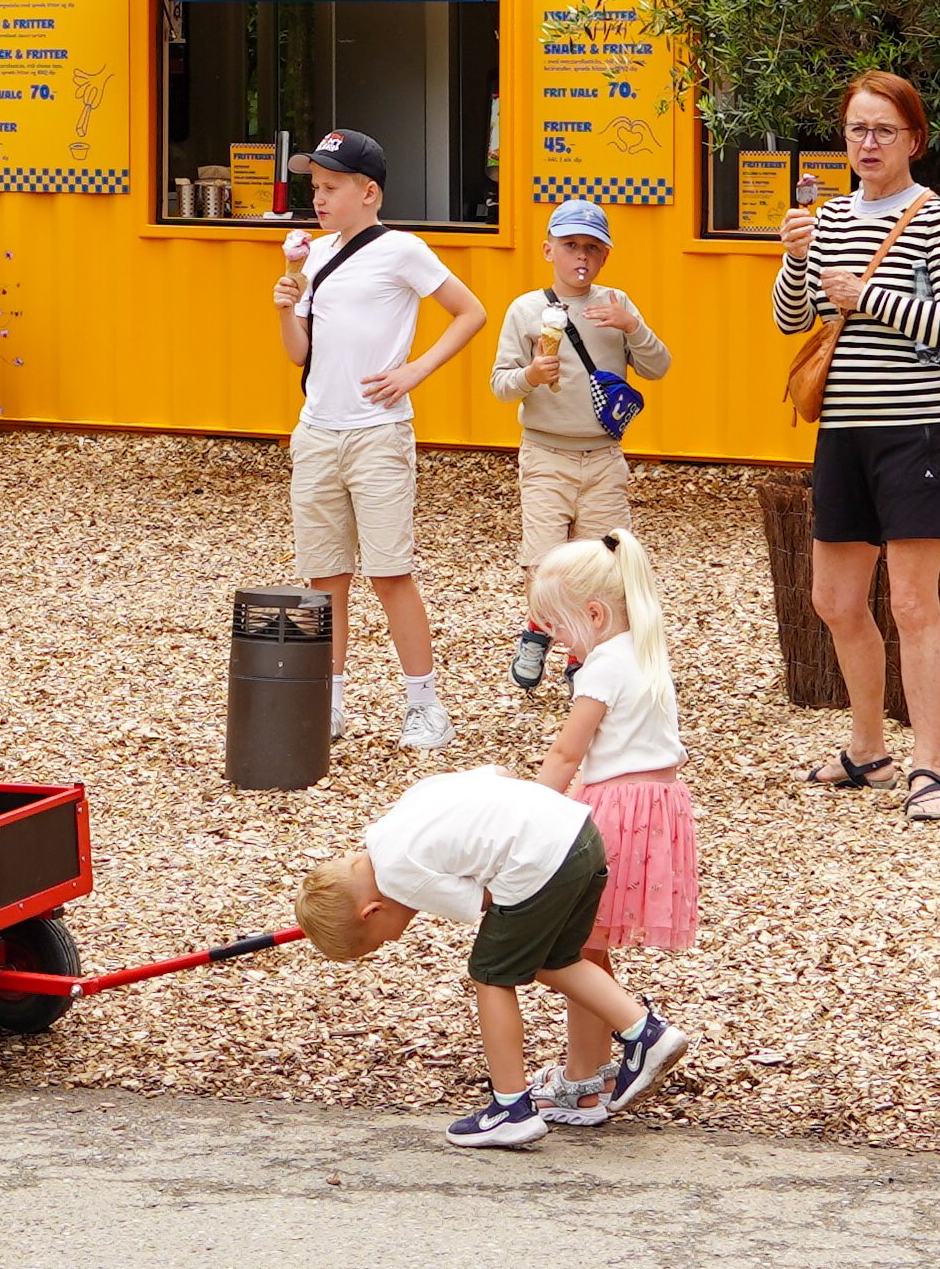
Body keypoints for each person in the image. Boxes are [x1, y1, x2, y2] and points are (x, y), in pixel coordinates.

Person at [777, 69, 940, 821]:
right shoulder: (825, 218)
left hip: (914, 427)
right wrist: (795, 256)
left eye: (882, 131)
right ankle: (868, 749)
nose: (866, 143)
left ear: (913, 140)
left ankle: (929, 767)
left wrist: (870, 299)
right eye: (856, 129)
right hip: (842, 430)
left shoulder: (938, 217)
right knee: (833, 599)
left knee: (910, 599)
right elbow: (790, 319)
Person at [296, 765, 680, 1152]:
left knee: (491, 974)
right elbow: (498, 772)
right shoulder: (399, 818)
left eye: (379, 941)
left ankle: (511, 1108)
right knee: (557, 958)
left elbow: (487, 900)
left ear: (372, 912)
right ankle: (643, 1031)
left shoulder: (395, 875)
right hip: (578, 833)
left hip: (539, 860)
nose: (395, 937)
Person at [273, 127, 482, 754]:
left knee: (390, 572)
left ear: (369, 192)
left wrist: (416, 370)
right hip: (316, 431)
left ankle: (425, 704)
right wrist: (284, 306)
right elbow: (297, 354)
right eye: (315, 186)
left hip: (378, 435)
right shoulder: (309, 257)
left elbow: (469, 310)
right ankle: (327, 702)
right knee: (324, 576)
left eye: (332, 187)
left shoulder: (403, 251)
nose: (320, 198)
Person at [521, 529, 692, 1124]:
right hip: (659, 805)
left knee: (574, 944)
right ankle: (583, 1075)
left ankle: (593, 1076)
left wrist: (528, 818)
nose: (558, 641)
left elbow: (568, 753)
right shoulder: (647, 648)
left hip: (615, 810)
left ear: (594, 612)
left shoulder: (602, 667)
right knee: (589, 946)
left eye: (559, 627)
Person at [487, 203, 674, 592]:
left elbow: (658, 367)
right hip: (545, 456)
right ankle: (537, 645)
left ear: (605, 256)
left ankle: (586, 654)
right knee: (544, 570)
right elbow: (500, 384)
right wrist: (531, 375)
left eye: (592, 248)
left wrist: (633, 328)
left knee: (603, 571)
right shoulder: (526, 310)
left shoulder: (616, 303)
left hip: (605, 458)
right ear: (548, 250)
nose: (582, 256)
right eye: (570, 245)